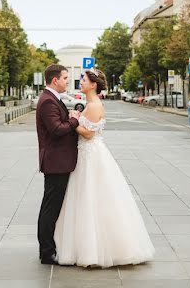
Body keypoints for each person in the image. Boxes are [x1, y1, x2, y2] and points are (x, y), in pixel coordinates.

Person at [54, 68, 155, 267]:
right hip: (88, 153)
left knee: (90, 198)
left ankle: (92, 250)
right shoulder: (92, 104)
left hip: (90, 155)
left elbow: (88, 134)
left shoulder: (93, 105)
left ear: (93, 85)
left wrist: (72, 121)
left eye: (83, 80)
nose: (80, 82)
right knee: (89, 197)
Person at [35, 63, 80, 265]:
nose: (68, 81)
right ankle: (46, 252)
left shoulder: (52, 99)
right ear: (55, 80)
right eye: (65, 78)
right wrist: (74, 120)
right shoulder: (47, 101)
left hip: (58, 161)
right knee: (50, 208)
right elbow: (56, 129)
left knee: (51, 206)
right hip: (56, 162)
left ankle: (47, 249)